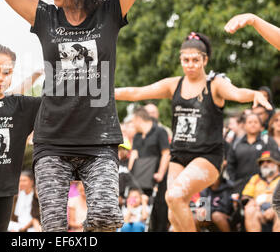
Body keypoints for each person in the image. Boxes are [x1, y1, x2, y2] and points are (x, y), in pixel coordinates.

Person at [0, 0, 168, 232]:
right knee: (54, 227)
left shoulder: (110, 13)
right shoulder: (45, 17)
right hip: (52, 141)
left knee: (104, 218)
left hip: (99, 142)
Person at [115, 32, 272, 232]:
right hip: (179, 156)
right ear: (180, 60)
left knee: (174, 196)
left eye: (195, 60)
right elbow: (137, 92)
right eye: (186, 60)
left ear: (205, 60)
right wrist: (109, 93)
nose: (190, 64)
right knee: (173, 210)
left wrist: (254, 94)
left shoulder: (214, 84)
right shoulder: (174, 84)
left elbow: (237, 93)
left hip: (206, 156)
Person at [0, 44, 41, 232]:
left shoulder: (20, 105)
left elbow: (59, 103)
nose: (0, 78)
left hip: (8, 187)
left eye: (6, 72)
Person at [129, 107, 170, 232]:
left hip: (158, 180)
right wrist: (129, 175)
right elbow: (134, 155)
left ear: (138, 119)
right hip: (141, 180)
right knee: (143, 211)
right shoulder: (137, 136)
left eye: (132, 121)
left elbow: (166, 153)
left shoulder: (160, 131)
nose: (132, 124)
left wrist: (161, 173)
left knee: (160, 211)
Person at [226, 113, 278, 194]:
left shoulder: (268, 141)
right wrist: (234, 181)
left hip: (263, 185)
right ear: (244, 125)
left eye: (256, 122)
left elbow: (276, 161)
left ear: (261, 125)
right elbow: (230, 164)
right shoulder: (237, 143)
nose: (253, 124)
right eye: (250, 122)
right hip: (240, 185)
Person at [242, 151, 280, 232]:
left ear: (277, 164)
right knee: (249, 209)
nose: (265, 164)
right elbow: (246, 196)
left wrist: (274, 208)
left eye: (269, 161)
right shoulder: (255, 178)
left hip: (277, 208)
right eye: (262, 162)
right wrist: (251, 203)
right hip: (259, 209)